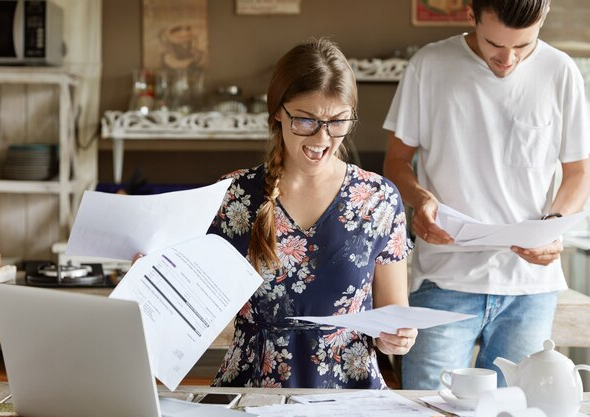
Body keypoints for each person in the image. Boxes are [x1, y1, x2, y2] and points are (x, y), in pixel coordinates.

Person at [383, 0, 590, 389]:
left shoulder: (561, 71)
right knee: (426, 407)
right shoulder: (429, 65)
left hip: (529, 287)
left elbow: (579, 171)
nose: (508, 59)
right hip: (444, 280)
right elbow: (396, 161)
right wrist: (420, 199)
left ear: (542, 21)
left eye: (523, 46)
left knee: (518, 411)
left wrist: (553, 224)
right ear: (471, 17)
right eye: (495, 44)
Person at [208, 38, 417, 389]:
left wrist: (396, 338)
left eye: (338, 121)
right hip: (252, 391)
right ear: (277, 111)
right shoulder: (234, 196)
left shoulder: (378, 200)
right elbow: (206, 312)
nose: (322, 137)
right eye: (305, 121)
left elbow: (393, 313)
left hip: (350, 396)